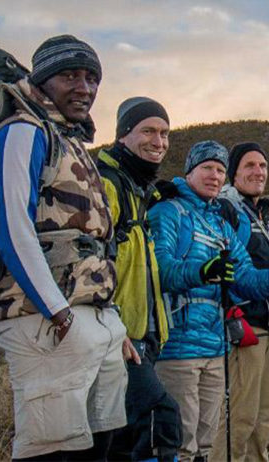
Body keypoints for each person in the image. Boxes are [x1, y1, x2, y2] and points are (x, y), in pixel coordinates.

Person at [0, 34, 127, 461]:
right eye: (69, 76)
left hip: (90, 318)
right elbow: (12, 227)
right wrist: (58, 312)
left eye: (91, 77)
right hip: (44, 322)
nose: (84, 87)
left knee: (100, 446)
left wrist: (109, 321)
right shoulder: (21, 133)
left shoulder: (71, 141)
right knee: (53, 451)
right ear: (42, 80)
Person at [148, 140, 269, 462]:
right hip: (177, 344)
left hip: (213, 344)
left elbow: (246, 277)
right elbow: (159, 269)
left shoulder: (219, 221)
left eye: (220, 170)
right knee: (181, 442)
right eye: (207, 168)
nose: (214, 176)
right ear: (190, 170)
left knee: (206, 443)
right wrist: (202, 271)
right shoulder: (169, 210)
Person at [97, 97, 182, 462]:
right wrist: (111, 325)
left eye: (164, 133)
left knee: (119, 440)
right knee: (159, 422)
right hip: (117, 335)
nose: (158, 142)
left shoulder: (138, 187)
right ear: (122, 135)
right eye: (148, 131)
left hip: (139, 337)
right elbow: (90, 259)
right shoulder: (107, 184)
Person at [212, 142, 269, 462]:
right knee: (241, 413)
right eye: (249, 165)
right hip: (244, 326)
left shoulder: (261, 213)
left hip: (268, 325)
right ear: (233, 172)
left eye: (262, 165)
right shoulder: (227, 209)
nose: (258, 171)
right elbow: (230, 271)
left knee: (266, 411)